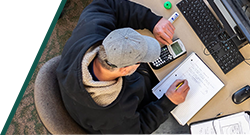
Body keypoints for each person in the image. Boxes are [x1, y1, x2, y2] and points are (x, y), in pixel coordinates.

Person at [55, 0, 190, 134]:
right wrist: (167, 102)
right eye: (140, 60)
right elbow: (139, 130)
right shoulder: (115, 115)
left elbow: (106, 4)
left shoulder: (89, 31)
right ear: (125, 70)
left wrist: (152, 21)